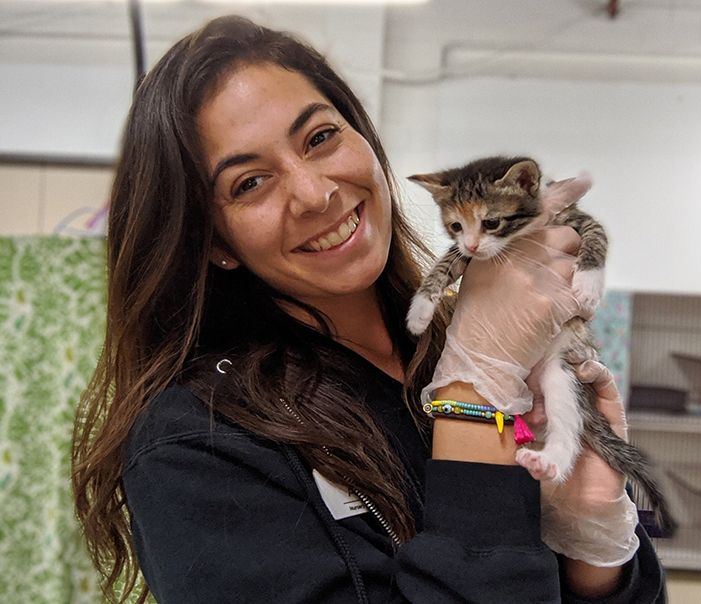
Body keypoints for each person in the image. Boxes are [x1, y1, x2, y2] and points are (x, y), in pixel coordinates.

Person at [71, 15, 665, 604]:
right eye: (250, 183)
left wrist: (593, 547)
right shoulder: (195, 444)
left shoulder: (453, 344)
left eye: (320, 137)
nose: (316, 192)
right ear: (216, 243)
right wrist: (474, 391)